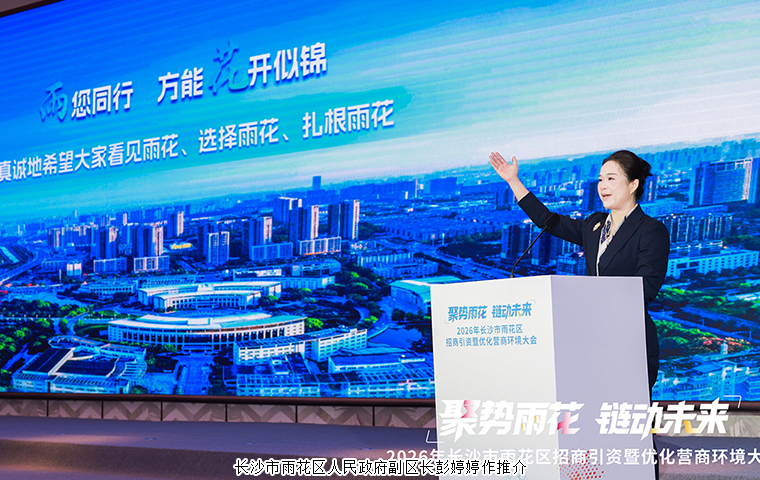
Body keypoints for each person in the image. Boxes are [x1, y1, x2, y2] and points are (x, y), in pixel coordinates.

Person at [490, 149, 669, 477]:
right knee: (592, 432)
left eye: (611, 178)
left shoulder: (651, 231)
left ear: (633, 185)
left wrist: (589, 300)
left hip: (628, 346)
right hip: (592, 347)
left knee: (626, 433)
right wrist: (514, 181)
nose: (603, 185)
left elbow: (645, 289)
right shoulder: (594, 225)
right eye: (600, 179)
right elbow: (548, 221)